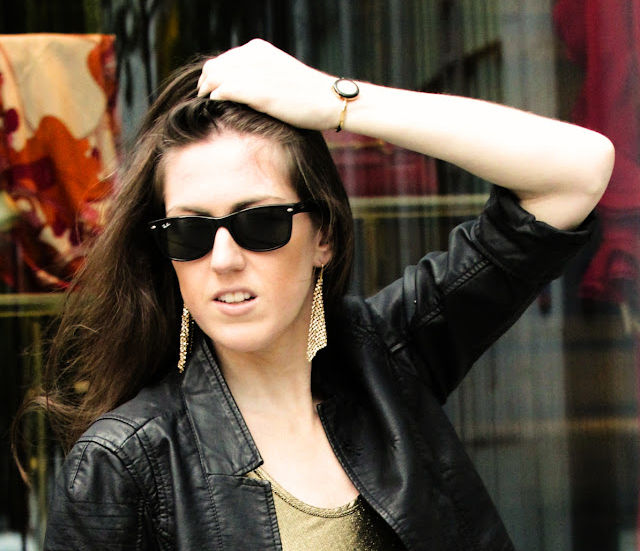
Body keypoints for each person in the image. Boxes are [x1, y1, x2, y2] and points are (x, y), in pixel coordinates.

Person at [18, 39, 614, 550]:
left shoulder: (387, 358)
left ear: (323, 236)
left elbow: (578, 171)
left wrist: (336, 101)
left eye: (260, 223)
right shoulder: (123, 463)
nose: (223, 259)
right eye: (189, 232)